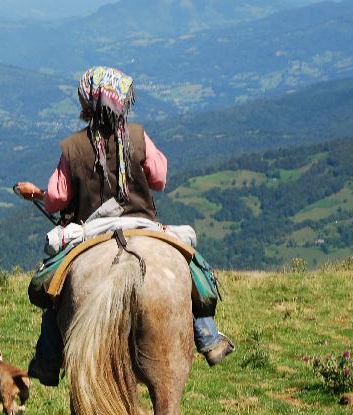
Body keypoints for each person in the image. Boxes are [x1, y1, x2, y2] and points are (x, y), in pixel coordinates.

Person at [17, 66, 234, 386]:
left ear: (86, 104)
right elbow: (159, 178)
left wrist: (38, 193)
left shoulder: (73, 146)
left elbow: (57, 199)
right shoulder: (137, 137)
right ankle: (208, 335)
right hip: (141, 223)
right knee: (192, 265)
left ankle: (49, 361)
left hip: (90, 230)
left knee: (54, 291)